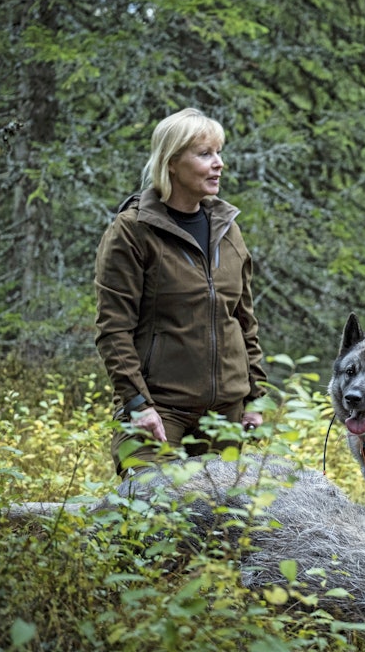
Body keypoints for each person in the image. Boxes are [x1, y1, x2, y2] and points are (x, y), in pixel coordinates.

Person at [94, 108, 268, 477]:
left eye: (219, 153)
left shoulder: (227, 228)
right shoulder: (133, 231)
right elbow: (113, 330)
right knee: (156, 518)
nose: (219, 164)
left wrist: (255, 396)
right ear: (171, 162)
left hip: (225, 416)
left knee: (224, 527)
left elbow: (243, 321)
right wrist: (138, 404)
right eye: (205, 154)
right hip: (158, 411)